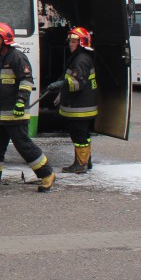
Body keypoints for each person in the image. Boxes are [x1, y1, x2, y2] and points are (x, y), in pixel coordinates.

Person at [0, 22, 55, 192]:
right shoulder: (0, 60)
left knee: (24, 146)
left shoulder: (17, 57)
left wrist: (20, 102)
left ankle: (47, 173)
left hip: (15, 114)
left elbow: (26, 81)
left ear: (5, 40)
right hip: (1, 114)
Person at [53, 26, 98, 174]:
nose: (70, 44)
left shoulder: (80, 60)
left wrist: (60, 85)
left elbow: (77, 83)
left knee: (79, 136)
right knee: (84, 135)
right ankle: (86, 161)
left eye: (74, 41)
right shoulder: (81, 57)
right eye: (70, 41)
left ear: (82, 43)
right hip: (84, 105)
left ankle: (80, 164)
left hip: (80, 106)